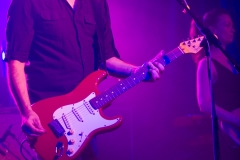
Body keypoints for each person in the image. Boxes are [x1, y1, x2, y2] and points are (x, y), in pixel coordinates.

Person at [5, 0, 165, 159]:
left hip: (85, 113)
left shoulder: (96, 4)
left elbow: (106, 58)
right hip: (49, 116)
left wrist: (137, 71)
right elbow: (16, 60)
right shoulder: (27, 2)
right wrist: (26, 111)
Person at [193, 8, 240, 160]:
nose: (233, 29)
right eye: (227, 25)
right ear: (213, 30)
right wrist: (235, 120)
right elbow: (204, 104)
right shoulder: (206, 63)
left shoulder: (233, 62)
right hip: (230, 134)